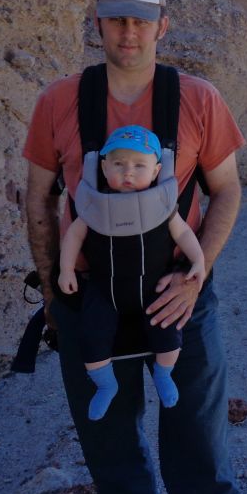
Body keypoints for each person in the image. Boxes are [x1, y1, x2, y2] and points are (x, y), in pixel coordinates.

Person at [24, 0, 244, 494]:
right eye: (117, 19)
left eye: (141, 21)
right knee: (112, 450)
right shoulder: (59, 101)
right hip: (91, 296)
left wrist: (197, 275)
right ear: (97, 23)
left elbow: (228, 191)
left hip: (179, 298)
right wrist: (54, 292)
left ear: (162, 26)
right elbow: (39, 198)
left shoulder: (199, 99)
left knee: (199, 444)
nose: (129, 32)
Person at [57, 124, 208, 421]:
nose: (128, 172)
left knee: (167, 329)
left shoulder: (162, 206)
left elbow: (184, 235)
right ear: (103, 167)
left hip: (153, 288)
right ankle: (106, 384)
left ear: (156, 171)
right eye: (118, 164)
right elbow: (73, 236)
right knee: (91, 337)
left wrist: (199, 262)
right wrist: (65, 270)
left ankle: (164, 375)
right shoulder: (94, 205)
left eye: (139, 165)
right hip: (104, 289)